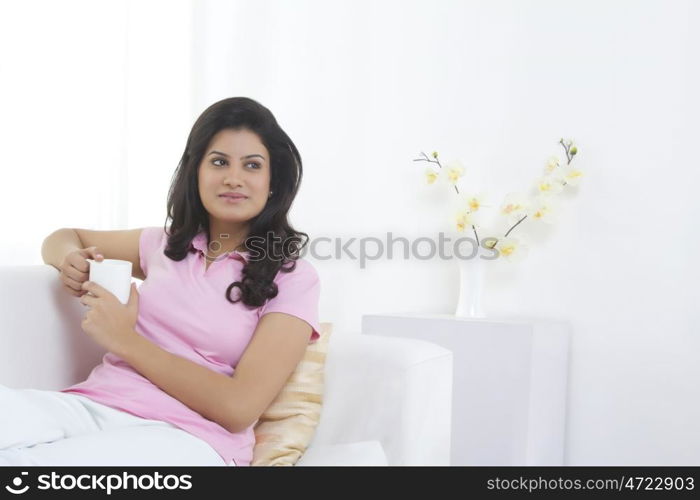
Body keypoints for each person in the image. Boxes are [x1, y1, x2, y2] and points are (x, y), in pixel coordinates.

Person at [0, 97, 321, 466]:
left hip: (189, 437)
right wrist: (69, 259)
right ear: (196, 172)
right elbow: (63, 235)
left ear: (272, 183)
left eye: (252, 165)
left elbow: (239, 408)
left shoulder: (293, 278)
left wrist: (125, 340)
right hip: (94, 405)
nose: (234, 178)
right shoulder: (165, 245)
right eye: (219, 162)